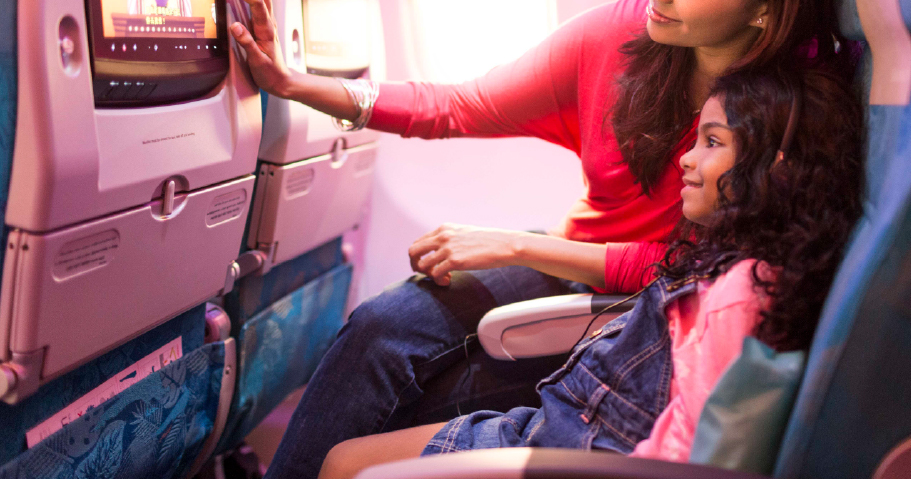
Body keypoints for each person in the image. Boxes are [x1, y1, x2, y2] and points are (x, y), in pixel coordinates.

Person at [221, 0, 852, 479]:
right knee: (379, 331)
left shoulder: (788, 115)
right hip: (577, 258)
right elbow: (459, 105)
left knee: (425, 394)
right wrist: (296, 84)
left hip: (646, 310)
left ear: (765, 4)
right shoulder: (622, 38)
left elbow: (693, 270)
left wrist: (511, 247)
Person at [317, 66, 866, 479]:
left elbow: (691, 455)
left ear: (777, 169)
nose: (686, 159)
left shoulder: (740, 297)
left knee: (345, 464)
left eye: (714, 142)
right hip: (566, 423)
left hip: (578, 449)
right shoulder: (729, 258)